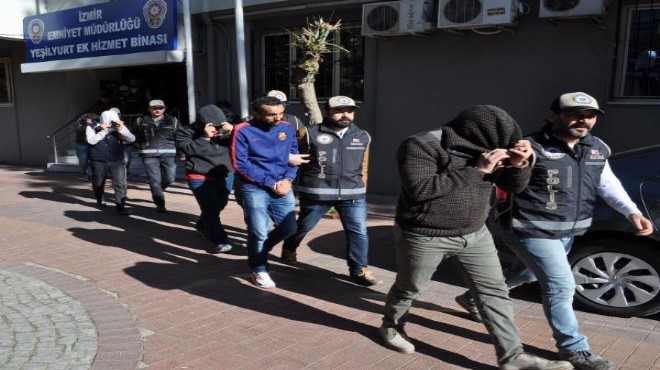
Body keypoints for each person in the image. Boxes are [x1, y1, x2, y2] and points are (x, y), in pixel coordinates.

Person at [456, 93, 654, 370]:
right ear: (552, 116)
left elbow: (607, 185)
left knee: (523, 273)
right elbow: (499, 182)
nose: (583, 120)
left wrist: (631, 212)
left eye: (590, 115)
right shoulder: (529, 146)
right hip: (530, 227)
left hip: (568, 230)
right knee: (561, 286)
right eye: (574, 113)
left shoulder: (596, 148)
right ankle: (575, 349)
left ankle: (471, 297)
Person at [380, 105, 573, 370]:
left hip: (475, 234)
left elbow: (514, 186)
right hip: (424, 235)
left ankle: (513, 357)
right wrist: (478, 170)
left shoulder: (494, 148)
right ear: (473, 138)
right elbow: (421, 190)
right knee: (410, 287)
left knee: (494, 294)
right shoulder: (421, 144)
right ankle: (392, 326)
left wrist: (519, 165)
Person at [281, 96, 378, 286]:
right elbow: (292, 159)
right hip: (317, 193)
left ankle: (359, 270)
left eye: (349, 111)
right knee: (303, 227)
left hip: (352, 195)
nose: (345, 115)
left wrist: (362, 186)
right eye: (339, 111)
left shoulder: (363, 135)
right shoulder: (307, 133)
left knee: (358, 231)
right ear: (327, 112)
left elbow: (363, 165)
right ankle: (290, 247)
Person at [231, 96, 299, 289]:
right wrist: (271, 183)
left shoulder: (287, 128)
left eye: (280, 113)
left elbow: (293, 158)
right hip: (254, 188)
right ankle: (259, 269)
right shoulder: (242, 130)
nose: (277, 118)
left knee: (289, 228)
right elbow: (240, 164)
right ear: (257, 114)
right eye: (271, 115)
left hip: (282, 185)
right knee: (259, 231)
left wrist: (288, 179)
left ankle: (258, 251)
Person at [176, 104, 235, 254]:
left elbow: (243, 143)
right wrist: (205, 138)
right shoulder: (186, 131)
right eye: (214, 125)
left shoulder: (226, 129)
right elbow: (186, 149)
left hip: (224, 173)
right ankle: (220, 240)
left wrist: (234, 132)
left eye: (219, 125)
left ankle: (202, 225)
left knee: (220, 204)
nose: (217, 128)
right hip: (199, 175)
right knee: (210, 208)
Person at [86, 109, 135, 215]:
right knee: (98, 183)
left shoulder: (119, 127)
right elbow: (91, 140)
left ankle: (120, 206)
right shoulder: (92, 127)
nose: (111, 123)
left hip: (117, 160)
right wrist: (103, 131)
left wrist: (121, 129)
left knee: (120, 184)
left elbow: (131, 139)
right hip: (98, 160)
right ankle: (100, 199)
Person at [136, 99, 179, 213]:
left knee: (170, 178)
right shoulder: (141, 121)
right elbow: (135, 135)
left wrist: (183, 152)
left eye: (160, 108)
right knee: (154, 181)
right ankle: (160, 204)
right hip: (149, 155)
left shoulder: (172, 121)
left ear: (164, 109)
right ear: (149, 109)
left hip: (168, 153)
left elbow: (179, 137)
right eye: (154, 108)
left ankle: (158, 190)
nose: (157, 110)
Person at [75, 113, 98, 181]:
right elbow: (78, 131)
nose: (89, 120)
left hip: (92, 145)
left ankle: (91, 175)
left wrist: (91, 125)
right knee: (83, 162)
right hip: (81, 145)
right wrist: (87, 125)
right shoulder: (80, 125)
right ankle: (86, 172)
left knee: (93, 161)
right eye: (88, 118)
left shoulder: (95, 125)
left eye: (91, 119)